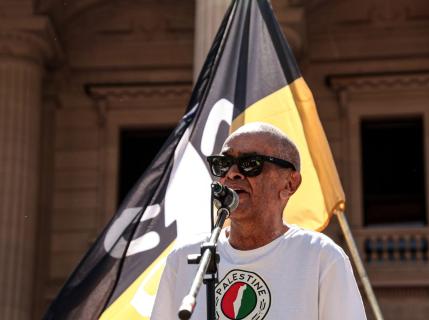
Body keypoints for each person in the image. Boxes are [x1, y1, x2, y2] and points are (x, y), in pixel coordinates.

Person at [151, 122, 367, 320]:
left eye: (250, 163)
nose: (233, 174)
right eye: (224, 163)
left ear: (290, 183)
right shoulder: (182, 259)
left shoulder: (321, 257)